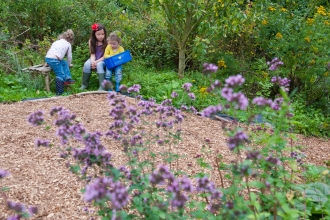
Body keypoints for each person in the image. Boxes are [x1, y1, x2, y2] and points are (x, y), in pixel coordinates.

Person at [45, 29, 75, 96]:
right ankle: (59, 92)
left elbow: (51, 51)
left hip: (48, 58)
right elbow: (69, 56)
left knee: (64, 63)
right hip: (55, 60)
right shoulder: (68, 44)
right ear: (71, 40)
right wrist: (69, 63)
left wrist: (47, 62)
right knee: (60, 74)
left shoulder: (56, 42)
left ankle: (68, 78)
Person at [80, 23, 107, 91]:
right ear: (94, 34)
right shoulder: (91, 41)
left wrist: (96, 62)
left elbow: (105, 56)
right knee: (86, 64)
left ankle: (102, 86)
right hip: (95, 59)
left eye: (102, 34)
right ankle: (84, 85)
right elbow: (92, 54)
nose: (101, 36)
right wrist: (93, 62)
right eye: (98, 34)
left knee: (99, 65)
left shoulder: (107, 42)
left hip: (103, 60)